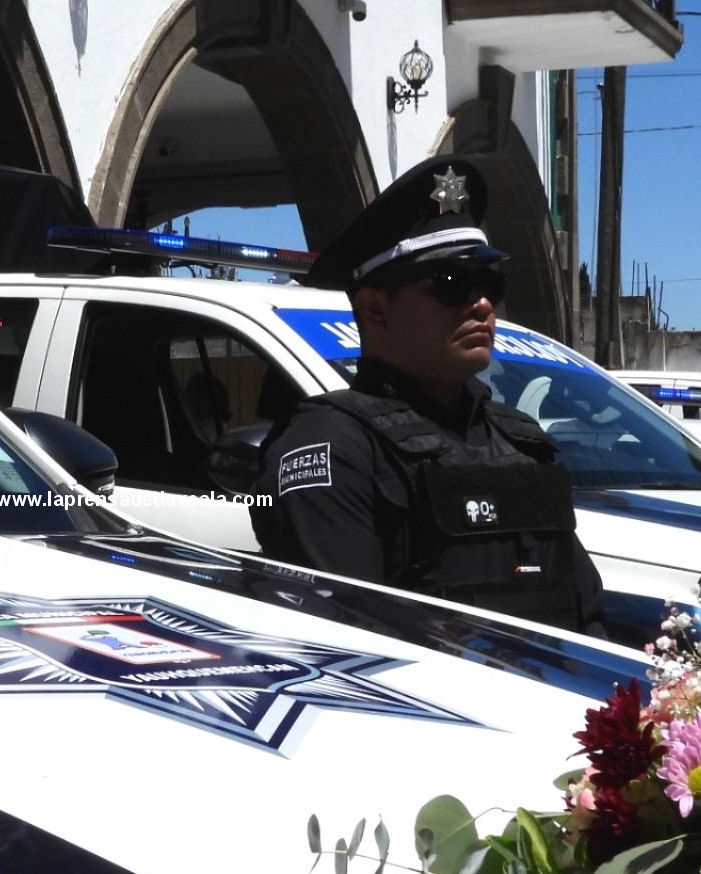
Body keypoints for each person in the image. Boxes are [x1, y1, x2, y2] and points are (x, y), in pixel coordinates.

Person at [250, 157, 607, 634]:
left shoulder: (520, 441)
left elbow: (585, 612)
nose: (482, 305)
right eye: (451, 285)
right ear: (375, 310)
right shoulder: (332, 446)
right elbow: (344, 634)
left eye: (490, 284)